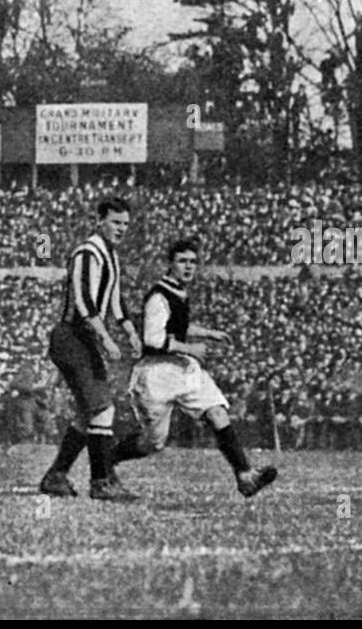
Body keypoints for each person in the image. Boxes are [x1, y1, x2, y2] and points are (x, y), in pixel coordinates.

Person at [114, 238, 278, 498]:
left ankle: (245, 475)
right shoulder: (158, 295)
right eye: (182, 261)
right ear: (170, 264)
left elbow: (177, 329)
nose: (188, 267)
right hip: (156, 373)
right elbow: (152, 339)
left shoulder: (179, 291)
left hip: (182, 368)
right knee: (153, 442)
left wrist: (209, 333)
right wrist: (191, 348)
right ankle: (106, 463)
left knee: (217, 412)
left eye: (192, 262)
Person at [38, 197, 142, 500]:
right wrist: (106, 338)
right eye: (115, 222)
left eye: (125, 224)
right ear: (100, 221)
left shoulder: (111, 255)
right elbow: (84, 300)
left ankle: (56, 476)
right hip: (72, 338)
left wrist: (129, 331)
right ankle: (101, 482)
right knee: (102, 407)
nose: (121, 228)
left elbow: (115, 299)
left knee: (89, 412)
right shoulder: (88, 251)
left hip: (83, 340)